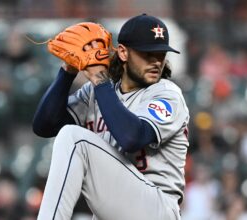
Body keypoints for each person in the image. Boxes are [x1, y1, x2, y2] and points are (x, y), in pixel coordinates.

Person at [33, 14, 190, 220]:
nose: (156, 61)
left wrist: (99, 79)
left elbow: (132, 138)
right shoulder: (97, 92)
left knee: (74, 138)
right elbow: (44, 126)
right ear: (123, 52)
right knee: (69, 135)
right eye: (147, 54)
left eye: (160, 54)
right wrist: (68, 70)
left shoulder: (167, 93)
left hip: (156, 208)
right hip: (116, 210)